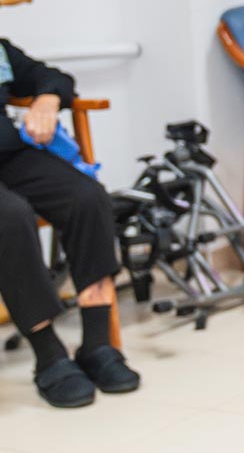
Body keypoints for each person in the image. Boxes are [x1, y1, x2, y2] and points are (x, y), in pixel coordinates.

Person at [0, 39, 140, 408]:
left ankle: (97, 344)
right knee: (10, 216)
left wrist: (47, 99)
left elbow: (52, 77)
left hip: (8, 156)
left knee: (88, 198)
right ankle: (49, 356)